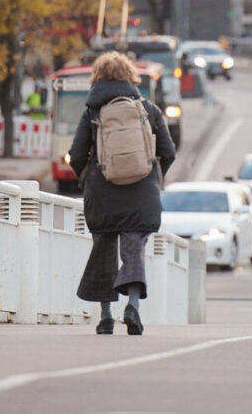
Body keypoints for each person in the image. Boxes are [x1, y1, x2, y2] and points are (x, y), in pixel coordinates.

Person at [70, 52, 176, 336]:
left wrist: (87, 178)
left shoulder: (92, 112)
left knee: (103, 250)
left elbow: (76, 154)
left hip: (102, 191)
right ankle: (132, 307)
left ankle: (105, 316)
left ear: (98, 78)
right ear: (131, 77)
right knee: (133, 251)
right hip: (141, 191)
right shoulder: (148, 109)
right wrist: (153, 175)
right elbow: (168, 151)